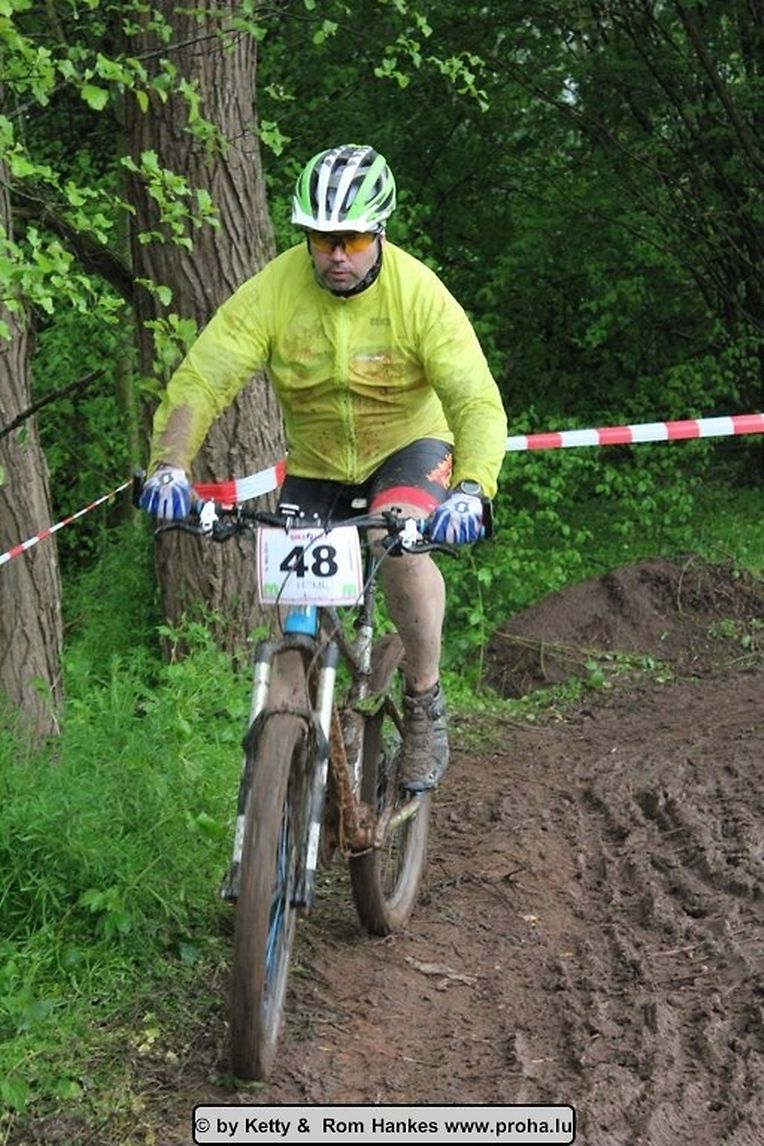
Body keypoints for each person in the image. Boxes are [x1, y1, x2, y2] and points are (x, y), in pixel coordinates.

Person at [139, 144, 507, 791]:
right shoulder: (275, 291)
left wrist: (473, 489)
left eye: (353, 239)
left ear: (380, 232)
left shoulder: (419, 294)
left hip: (408, 447)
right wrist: (169, 467)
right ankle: (297, 749)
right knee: (295, 616)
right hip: (316, 464)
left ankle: (424, 700)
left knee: (396, 540)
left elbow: (474, 399)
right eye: (321, 239)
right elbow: (203, 378)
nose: (337, 254)